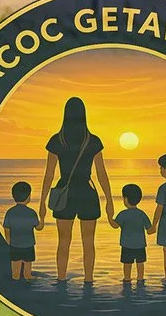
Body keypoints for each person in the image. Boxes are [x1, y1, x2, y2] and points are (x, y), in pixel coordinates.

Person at [36, 96, 112, 286]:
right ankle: (88, 280)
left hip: (64, 193)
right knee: (88, 241)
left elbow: (49, 175)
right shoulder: (93, 141)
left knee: (63, 241)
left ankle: (61, 279)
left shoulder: (57, 140)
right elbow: (101, 173)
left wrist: (42, 203)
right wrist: (109, 200)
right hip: (87, 193)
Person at [1, 180, 42, 282]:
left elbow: (6, 228)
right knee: (28, 274)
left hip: (15, 245)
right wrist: (43, 217)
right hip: (28, 245)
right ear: (28, 196)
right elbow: (38, 227)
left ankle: (16, 281)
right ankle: (28, 278)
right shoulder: (31, 213)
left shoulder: (10, 212)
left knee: (15, 274)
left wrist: (9, 241)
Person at [111, 184, 150, 288]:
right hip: (140, 245)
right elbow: (149, 229)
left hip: (127, 245)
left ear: (126, 199)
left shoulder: (123, 214)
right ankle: (140, 279)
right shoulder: (142, 214)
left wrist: (109, 217)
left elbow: (115, 225)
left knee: (127, 264)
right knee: (140, 264)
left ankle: (127, 279)